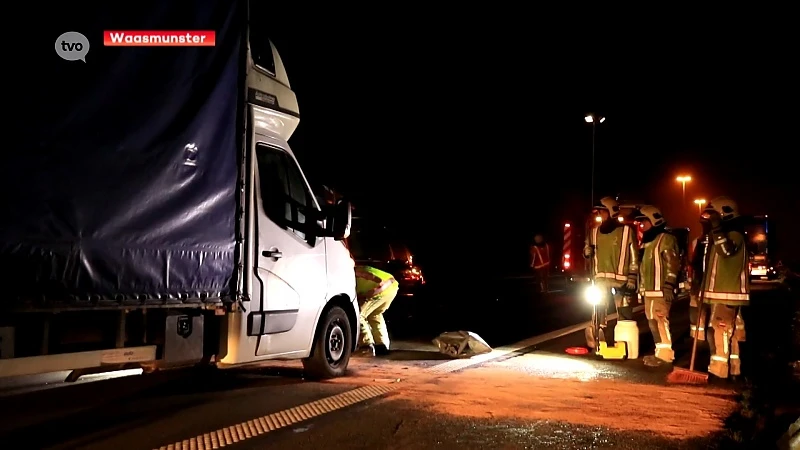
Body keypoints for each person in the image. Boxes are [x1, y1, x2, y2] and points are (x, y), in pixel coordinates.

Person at [700, 196, 749, 379]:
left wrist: (717, 229)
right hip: (723, 293)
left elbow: (726, 251)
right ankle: (734, 369)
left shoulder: (734, 235)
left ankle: (719, 371)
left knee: (718, 331)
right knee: (730, 332)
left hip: (727, 293)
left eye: (714, 215)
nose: (711, 219)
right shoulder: (730, 234)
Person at [583, 197, 639, 347]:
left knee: (624, 312)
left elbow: (635, 257)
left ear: (611, 211)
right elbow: (587, 252)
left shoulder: (626, 231)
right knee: (599, 307)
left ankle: (624, 340)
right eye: (599, 212)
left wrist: (632, 278)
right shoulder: (594, 233)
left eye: (602, 211)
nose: (600, 215)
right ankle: (597, 333)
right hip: (600, 280)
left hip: (622, 281)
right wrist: (587, 252)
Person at [635, 205, 682, 367]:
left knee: (660, 321)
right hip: (649, 291)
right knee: (652, 322)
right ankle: (660, 353)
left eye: (644, 221)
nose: (642, 225)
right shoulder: (647, 242)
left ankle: (666, 355)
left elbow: (673, 264)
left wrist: (669, 285)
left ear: (654, 220)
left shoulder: (666, 239)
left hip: (661, 290)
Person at [355, 264, 399, 357]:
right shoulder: (356, 269)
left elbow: (377, 280)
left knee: (358, 315)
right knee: (375, 315)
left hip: (381, 290)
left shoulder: (351, 272)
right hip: (392, 288)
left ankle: (366, 346)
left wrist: (370, 294)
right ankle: (381, 345)